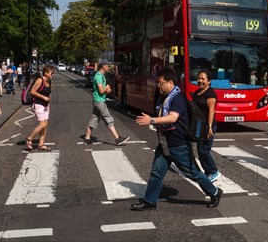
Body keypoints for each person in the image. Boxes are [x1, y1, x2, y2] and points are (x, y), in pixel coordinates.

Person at [131, 68, 223, 211]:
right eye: (158, 83)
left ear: (170, 82)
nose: (158, 86)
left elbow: (173, 117)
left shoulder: (177, 98)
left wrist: (152, 120)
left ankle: (215, 192)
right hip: (165, 144)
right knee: (156, 172)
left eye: (161, 83)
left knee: (193, 174)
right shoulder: (164, 97)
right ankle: (149, 201)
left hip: (179, 145)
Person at [83, 60, 129, 145]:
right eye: (108, 65)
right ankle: (117, 138)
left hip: (98, 101)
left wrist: (107, 91)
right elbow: (100, 90)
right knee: (108, 119)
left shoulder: (100, 75)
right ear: (103, 66)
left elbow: (101, 91)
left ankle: (87, 137)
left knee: (95, 119)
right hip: (99, 102)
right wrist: (106, 88)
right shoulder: (99, 77)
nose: (109, 67)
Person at [193, 70, 221, 182]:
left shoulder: (210, 94)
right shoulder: (197, 92)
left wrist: (209, 127)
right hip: (200, 124)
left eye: (203, 79)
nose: (200, 80)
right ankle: (208, 171)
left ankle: (213, 171)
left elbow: (211, 110)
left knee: (204, 149)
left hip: (208, 125)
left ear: (209, 81)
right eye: (199, 78)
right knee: (200, 149)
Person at [25, 65, 55, 151]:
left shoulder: (49, 81)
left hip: (45, 105)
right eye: (51, 73)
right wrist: (43, 97)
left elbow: (47, 94)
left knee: (45, 126)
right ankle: (30, 138)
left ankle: (41, 144)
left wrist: (48, 105)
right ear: (46, 73)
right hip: (38, 104)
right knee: (43, 124)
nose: (52, 75)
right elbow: (33, 91)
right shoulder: (40, 80)